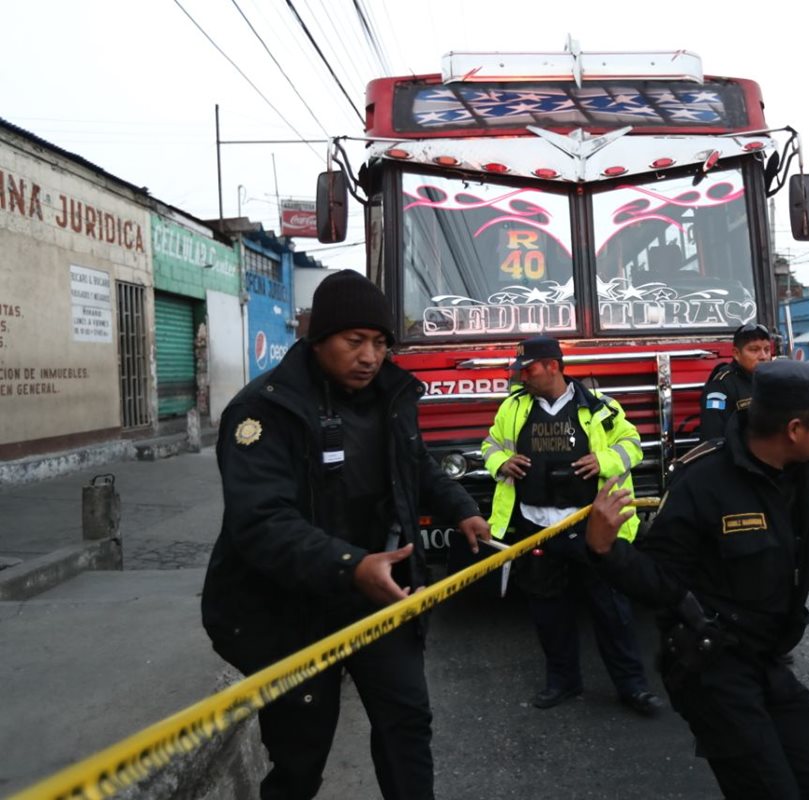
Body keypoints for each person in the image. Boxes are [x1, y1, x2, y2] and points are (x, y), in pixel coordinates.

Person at [201, 269, 491, 800]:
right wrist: (350, 566)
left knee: (407, 725)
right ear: (319, 339)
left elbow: (416, 465)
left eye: (380, 343)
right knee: (300, 754)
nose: (369, 356)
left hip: (381, 596)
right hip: (293, 610)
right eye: (354, 341)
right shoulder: (263, 410)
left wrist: (461, 509)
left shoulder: (391, 396)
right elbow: (261, 522)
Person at [585, 360, 809, 800]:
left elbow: (801, 546)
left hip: (769, 655)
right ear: (795, 429)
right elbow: (661, 582)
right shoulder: (702, 481)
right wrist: (605, 550)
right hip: (713, 665)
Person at [480, 335, 663, 715]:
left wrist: (603, 461)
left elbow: (632, 445)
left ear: (553, 366)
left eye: (529, 369)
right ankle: (562, 682)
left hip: (591, 528)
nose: (522, 377)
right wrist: (500, 462)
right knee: (548, 612)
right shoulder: (512, 408)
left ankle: (633, 687)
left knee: (612, 611)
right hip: (536, 527)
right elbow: (490, 445)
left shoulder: (600, 407)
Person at [698, 322, 773, 441]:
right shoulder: (721, 387)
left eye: (767, 350)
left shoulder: (773, 382)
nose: (763, 356)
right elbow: (713, 438)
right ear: (736, 354)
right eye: (754, 350)